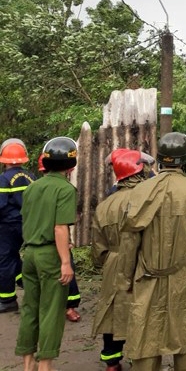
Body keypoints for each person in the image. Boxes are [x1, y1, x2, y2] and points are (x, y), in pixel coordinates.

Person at [118, 132, 186, 371]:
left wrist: (125, 279)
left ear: (160, 158)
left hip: (147, 275)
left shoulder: (140, 191)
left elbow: (129, 241)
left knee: (145, 338)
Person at [15, 137, 78, 371]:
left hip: (29, 254)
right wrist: (65, 262)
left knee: (30, 308)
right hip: (50, 255)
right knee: (51, 310)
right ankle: (45, 366)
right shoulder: (65, 189)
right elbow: (60, 227)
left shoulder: (32, 187)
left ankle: (28, 363)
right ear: (71, 165)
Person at [92, 149, 152, 371]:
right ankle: (141, 358)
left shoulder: (104, 205)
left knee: (112, 309)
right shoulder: (147, 199)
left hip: (113, 263)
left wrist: (109, 262)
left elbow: (98, 249)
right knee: (141, 309)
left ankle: (112, 361)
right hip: (143, 262)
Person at [34, 153, 83, 324]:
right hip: (46, 241)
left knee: (65, 276)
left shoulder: (62, 189)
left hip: (51, 240)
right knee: (58, 274)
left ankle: (69, 307)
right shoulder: (39, 189)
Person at [0, 139, 35, 313]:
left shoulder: (4, 179)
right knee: (14, 257)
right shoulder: (31, 177)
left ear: (4, 160)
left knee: (5, 260)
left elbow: (1, 204)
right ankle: (26, 283)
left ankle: (7, 300)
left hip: (8, 226)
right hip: (28, 224)